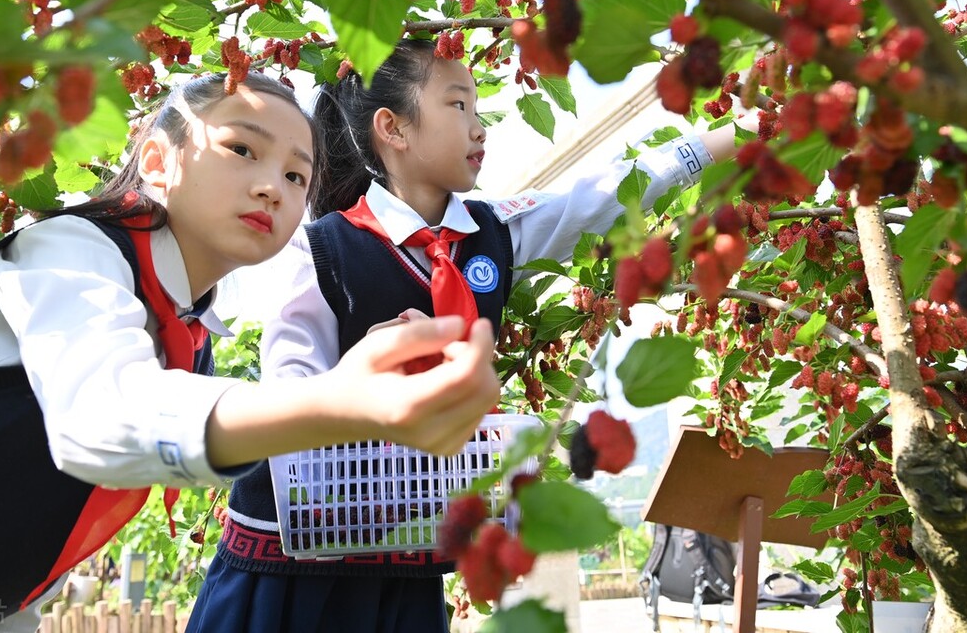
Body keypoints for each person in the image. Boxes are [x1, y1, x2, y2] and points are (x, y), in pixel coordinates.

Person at [0, 71, 500, 633]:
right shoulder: (68, 253)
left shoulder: (188, 339)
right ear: (158, 162)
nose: (272, 186)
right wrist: (335, 402)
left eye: (297, 176)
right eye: (242, 149)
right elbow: (99, 419)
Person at [189, 39, 756, 633]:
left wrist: (737, 135)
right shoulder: (322, 250)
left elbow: (608, 195)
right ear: (394, 129)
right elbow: (288, 401)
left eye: (478, 109)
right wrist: (364, 368)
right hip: (295, 566)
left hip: (405, 557)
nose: (479, 126)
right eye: (458, 105)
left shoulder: (492, 233)